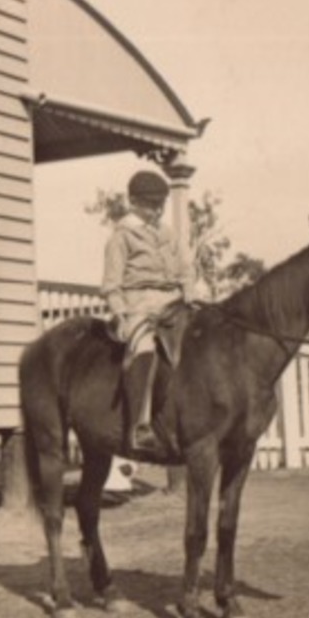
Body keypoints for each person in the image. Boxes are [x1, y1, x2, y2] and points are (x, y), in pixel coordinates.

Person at [101, 169, 195, 458]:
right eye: (151, 203)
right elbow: (111, 285)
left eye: (161, 203)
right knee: (145, 348)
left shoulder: (168, 234)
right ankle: (139, 426)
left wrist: (189, 295)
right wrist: (121, 314)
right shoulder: (121, 236)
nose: (158, 209)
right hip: (139, 301)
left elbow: (185, 269)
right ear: (134, 202)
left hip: (173, 300)